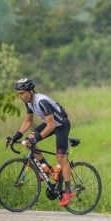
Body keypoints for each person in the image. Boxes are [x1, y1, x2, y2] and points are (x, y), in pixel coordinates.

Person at [7, 78, 75, 206]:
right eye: (19, 94)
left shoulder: (41, 101)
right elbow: (28, 121)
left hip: (61, 126)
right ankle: (47, 168)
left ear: (30, 91)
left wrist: (36, 138)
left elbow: (51, 126)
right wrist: (16, 136)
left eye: (22, 93)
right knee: (28, 141)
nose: (20, 96)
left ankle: (68, 191)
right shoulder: (28, 102)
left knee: (61, 158)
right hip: (50, 124)